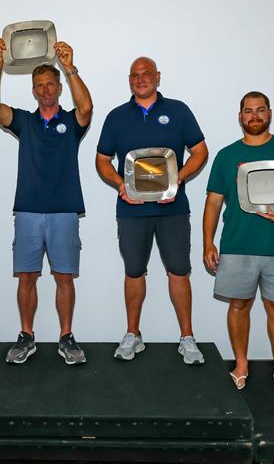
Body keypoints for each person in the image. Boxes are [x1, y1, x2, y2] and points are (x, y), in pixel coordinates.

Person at [203, 91, 274, 395]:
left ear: (270, 113)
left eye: (260, 110)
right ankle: (241, 364)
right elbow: (214, 201)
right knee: (239, 305)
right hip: (237, 244)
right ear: (239, 116)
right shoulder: (226, 155)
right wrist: (207, 242)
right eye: (248, 111)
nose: (254, 115)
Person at [0, 38, 93, 365]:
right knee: (27, 277)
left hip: (64, 211)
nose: (45, 90)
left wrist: (70, 67)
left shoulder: (72, 122)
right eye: (39, 86)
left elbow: (87, 108)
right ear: (33, 91)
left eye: (50, 84)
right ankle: (27, 336)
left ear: (59, 87)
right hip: (28, 211)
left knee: (63, 277)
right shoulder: (25, 122)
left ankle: (66, 337)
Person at [96, 57, 209, 364]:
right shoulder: (116, 117)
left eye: (146, 74)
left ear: (158, 77)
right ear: (129, 80)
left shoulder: (178, 110)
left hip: (172, 208)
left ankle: (187, 338)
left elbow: (200, 151)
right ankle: (133, 335)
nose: (141, 79)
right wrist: (121, 185)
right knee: (133, 271)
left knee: (178, 270)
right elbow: (102, 160)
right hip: (131, 210)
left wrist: (178, 180)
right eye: (135, 75)